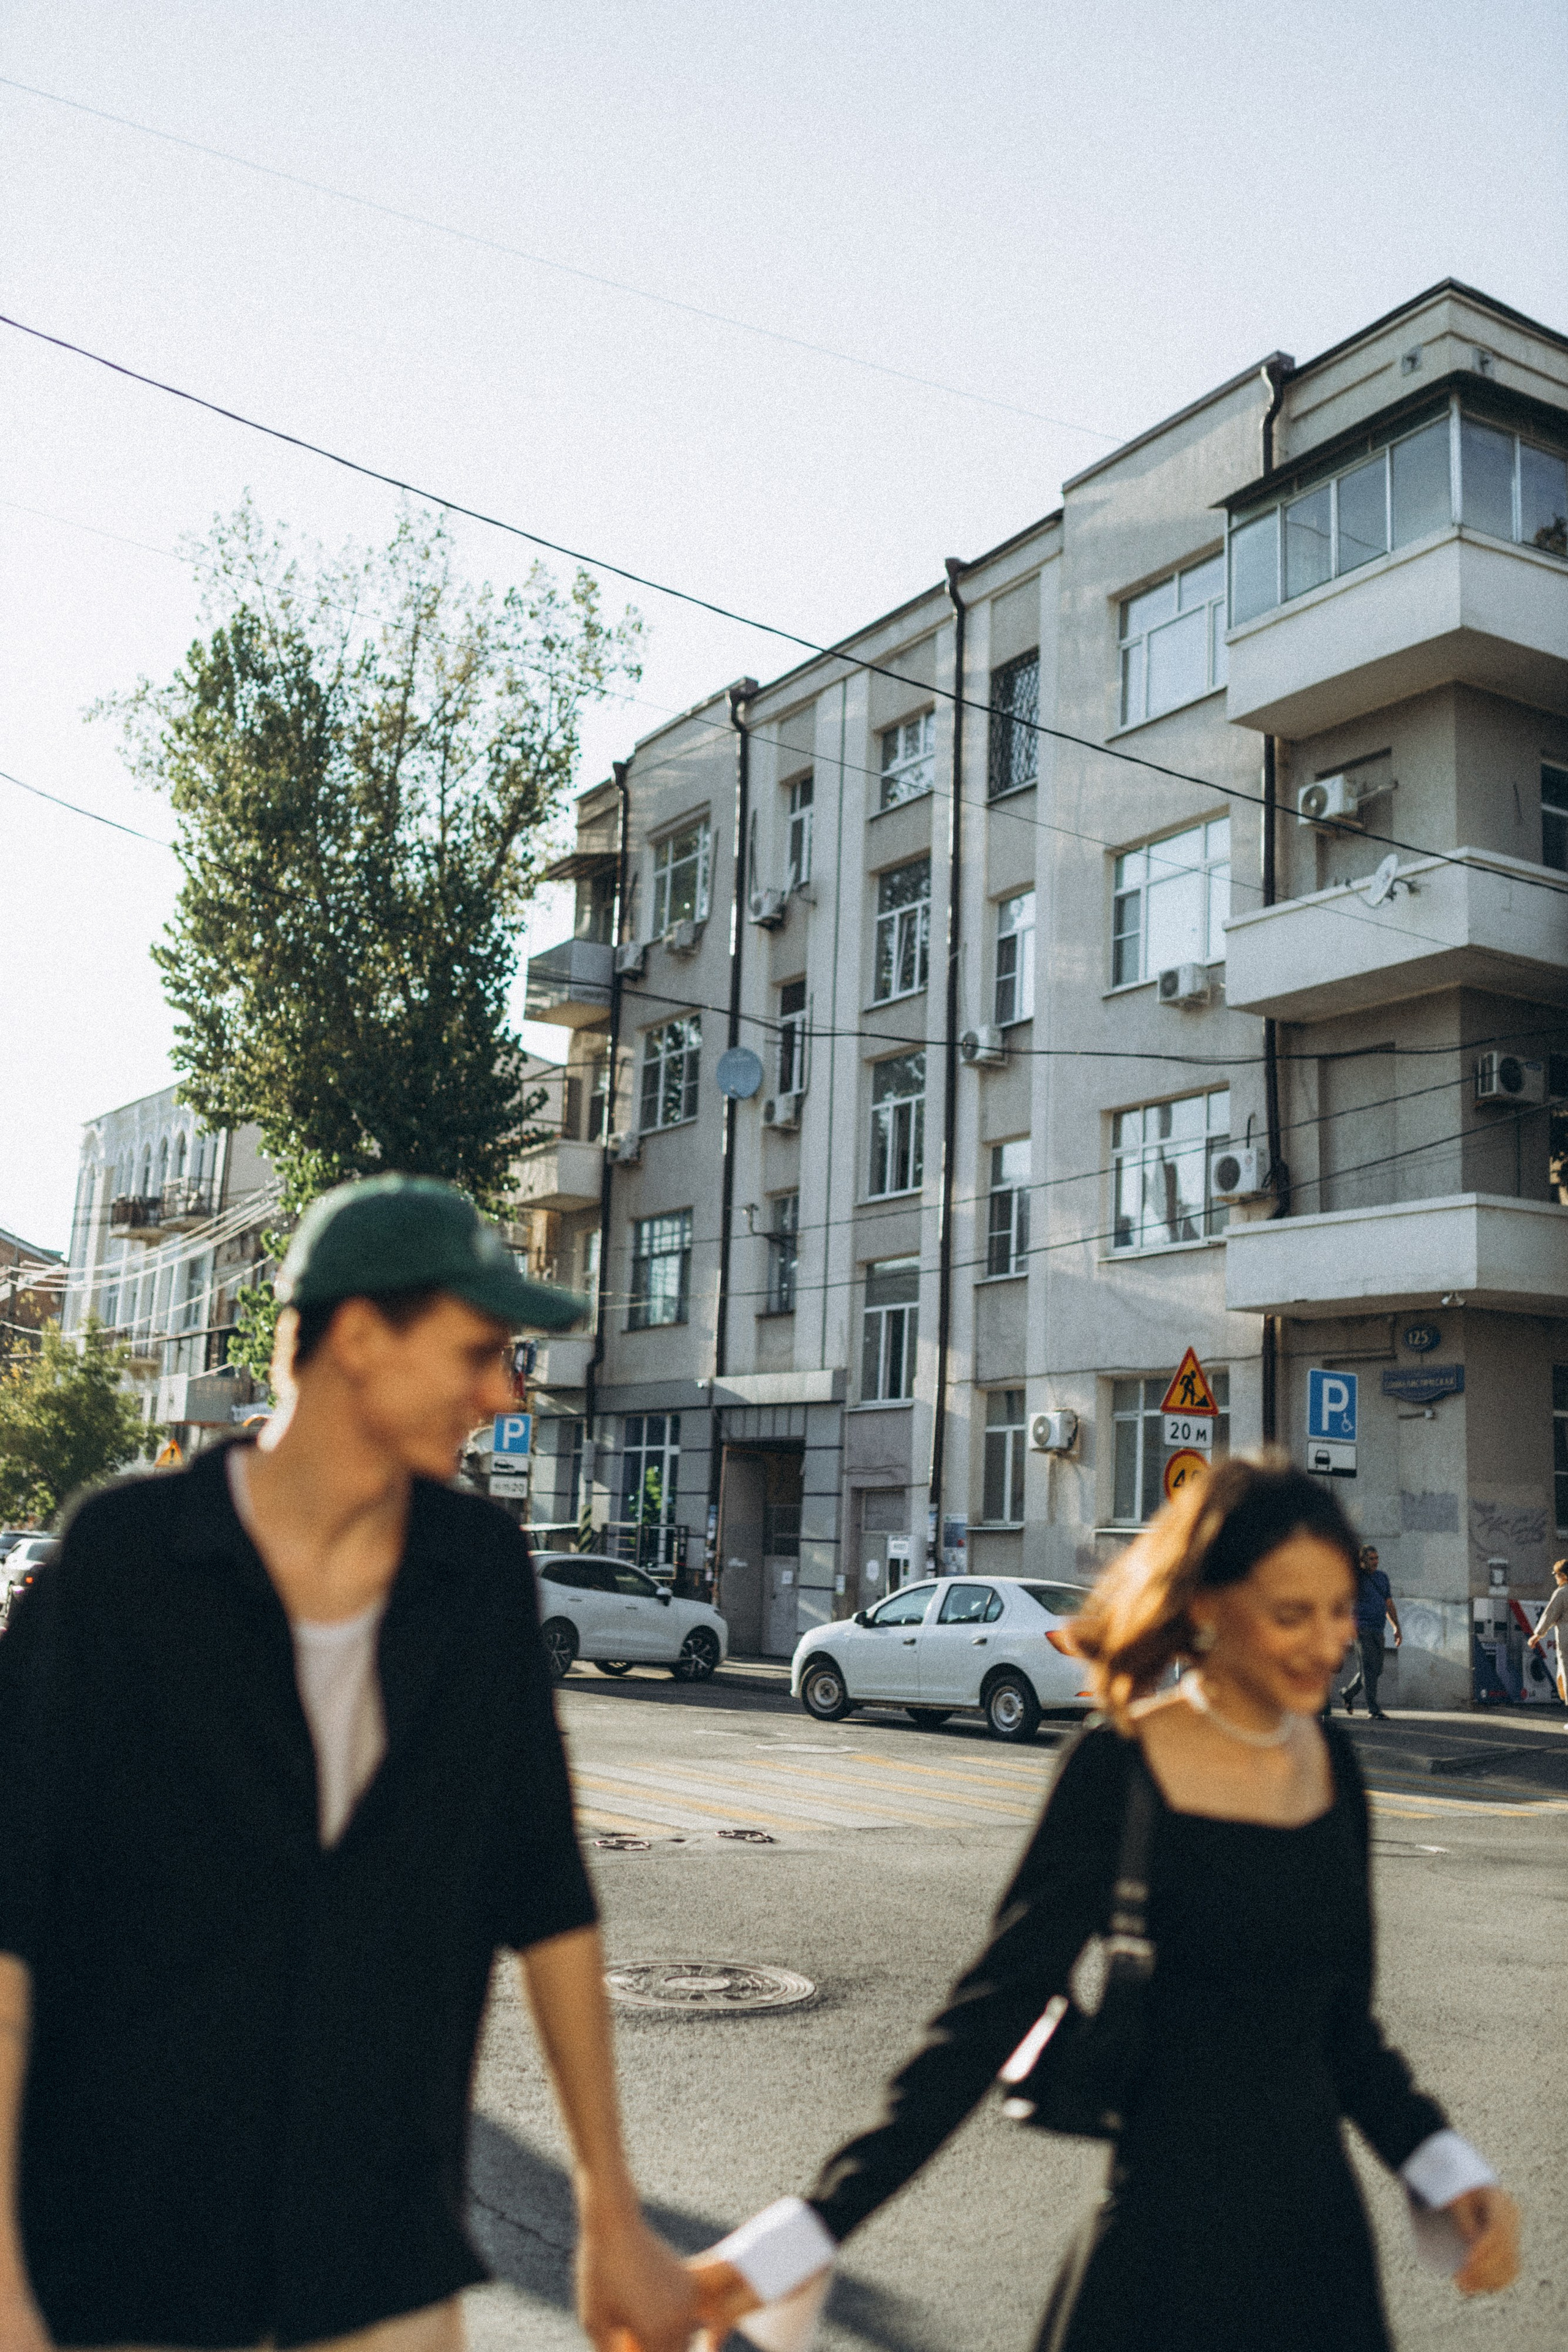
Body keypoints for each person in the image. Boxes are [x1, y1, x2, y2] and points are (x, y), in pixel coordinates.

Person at [0, 1175, 696, 2352]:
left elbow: (545, 1890)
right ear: (361, 1340)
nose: (499, 1395)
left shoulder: (475, 1572)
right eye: (478, 1351)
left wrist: (610, 2212)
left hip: (379, 2256)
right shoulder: (125, 1566)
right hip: (125, 2256)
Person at [690, 1455, 1520, 2352]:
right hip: (1160, 2263)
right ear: (1206, 1605)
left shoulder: (1336, 1771)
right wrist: (811, 2229)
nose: (1330, 1642)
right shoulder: (1119, 1767)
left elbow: (1345, 2031)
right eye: (1292, 1614)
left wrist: (1444, 2166)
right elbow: (989, 2013)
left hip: (1320, 2260)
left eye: (1337, 1610)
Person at [1341, 1543, 1401, 1720]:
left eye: (1377, 1558)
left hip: (1378, 1629)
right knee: (1368, 1670)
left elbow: (1388, 1604)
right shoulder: (1356, 1578)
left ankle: (1347, 1694)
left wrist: (1396, 1627)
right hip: (1362, 1629)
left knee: (1376, 1671)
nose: (1375, 1562)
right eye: (1371, 1559)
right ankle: (1373, 1709)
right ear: (1363, 1560)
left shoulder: (1382, 1578)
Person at [1526, 1556, 1568, 1709]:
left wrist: (1537, 1635)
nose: (1556, 1578)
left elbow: (1549, 1615)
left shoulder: (1562, 1593)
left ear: (1563, 1576)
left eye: (1557, 1575)